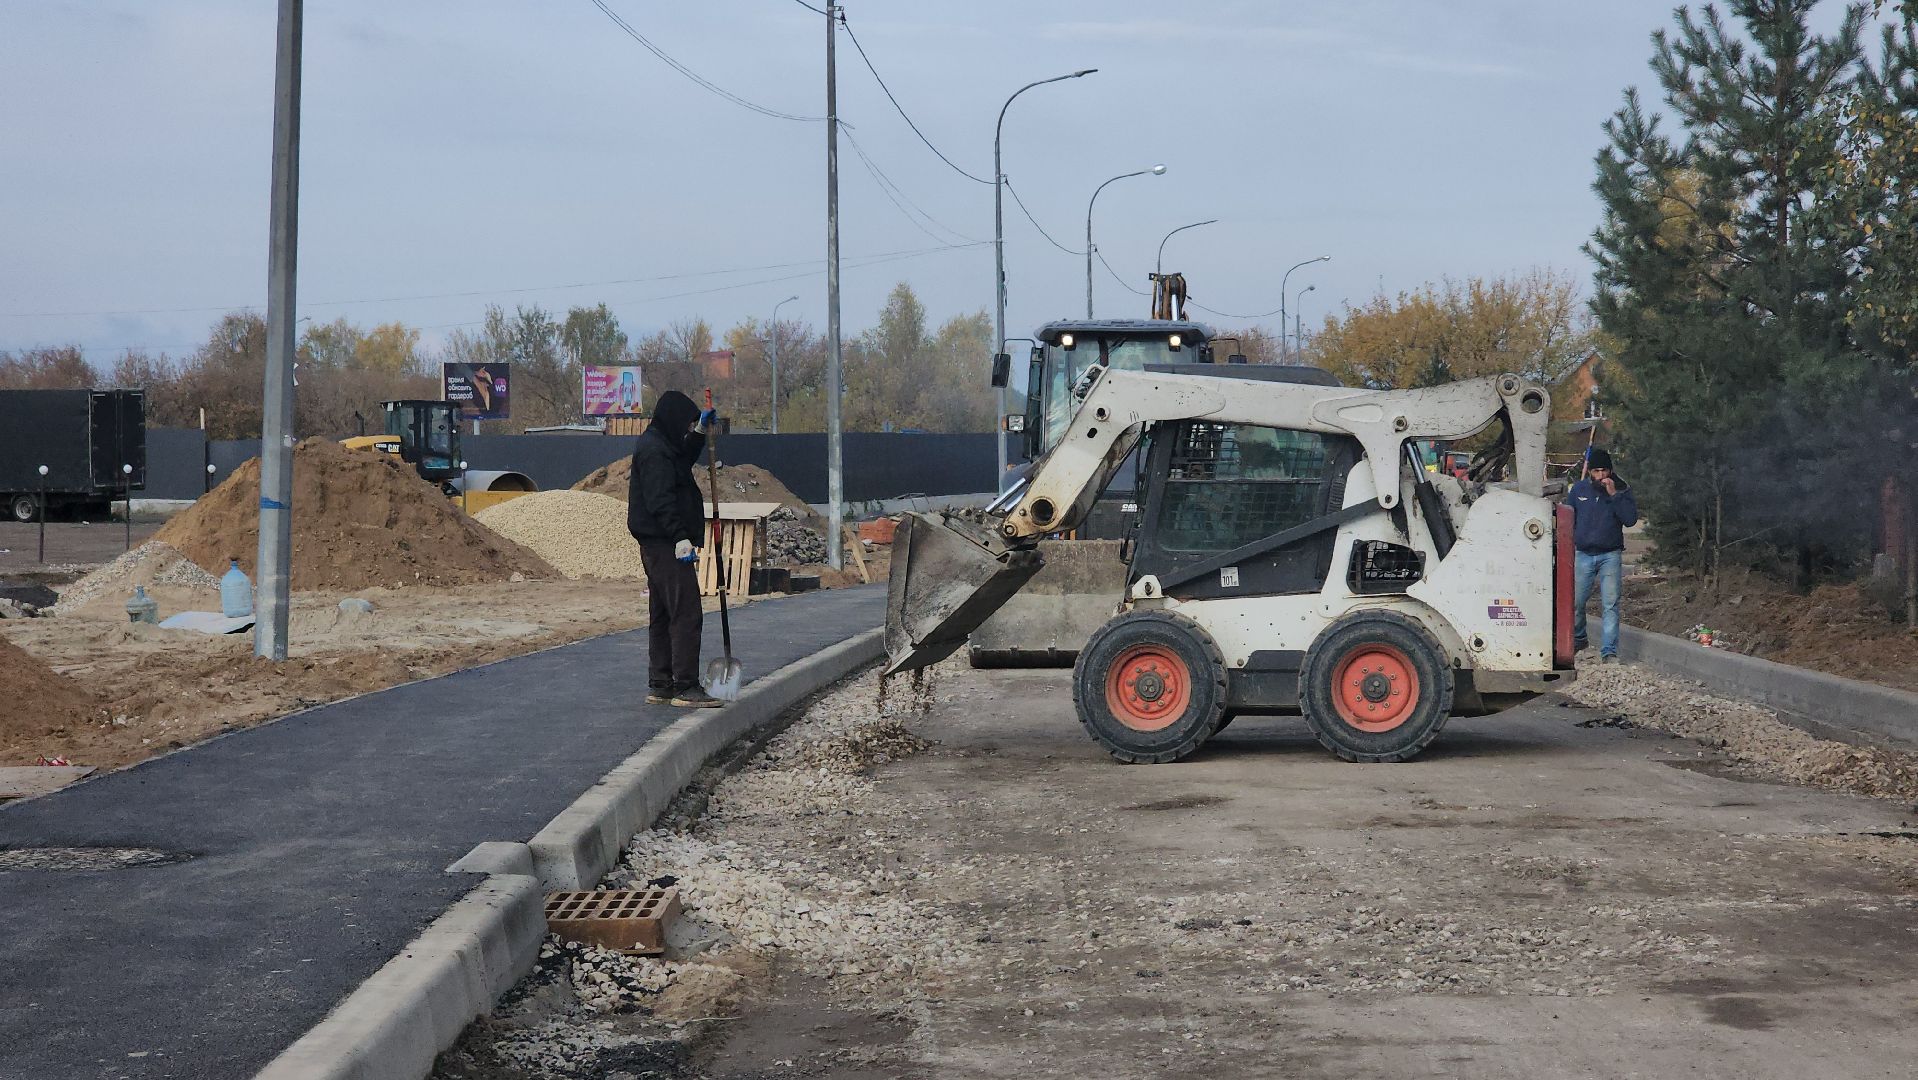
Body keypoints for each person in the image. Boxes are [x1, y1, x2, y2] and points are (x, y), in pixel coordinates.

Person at [627, 390, 721, 707]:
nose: (686, 429)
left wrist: (697, 433)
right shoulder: (654, 451)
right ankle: (685, 685)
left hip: (659, 542)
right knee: (685, 611)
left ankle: (661, 682)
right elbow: (660, 499)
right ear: (672, 419)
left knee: (664, 613)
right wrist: (680, 537)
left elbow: (681, 460)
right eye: (686, 423)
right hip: (664, 542)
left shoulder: (662, 444)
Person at [1567, 446, 1638, 664]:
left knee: (1610, 604)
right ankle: (1579, 638)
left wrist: (1614, 495)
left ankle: (1609, 651)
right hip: (1583, 554)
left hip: (1610, 554)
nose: (1601, 476)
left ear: (1610, 471)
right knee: (1577, 603)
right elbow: (1568, 519)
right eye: (1596, 471)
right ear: (1590, 472)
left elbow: (1630, 520)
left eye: (1604, 471)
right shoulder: (1578, 491)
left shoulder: (1622, 491)